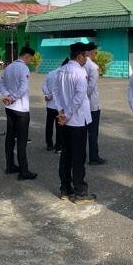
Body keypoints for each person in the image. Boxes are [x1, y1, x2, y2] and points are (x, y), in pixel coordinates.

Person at [54, 43, 96, 203]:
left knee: (66, 154)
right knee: (78, 157)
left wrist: (61, 111)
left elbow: (55, 92)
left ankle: (65, 188)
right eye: (85, 56)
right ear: (79, 56)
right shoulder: (79, 72)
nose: (87, 59)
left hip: (64, 120)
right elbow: (79, 97)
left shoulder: (61, 70)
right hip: (76, 121)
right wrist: (67, 114)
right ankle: (80, 191)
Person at [1, 47, 38, 180]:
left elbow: (1, 84)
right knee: (22, 141)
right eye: (30, 59)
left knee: (10, 137)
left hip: (10, 107)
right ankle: (24, 171)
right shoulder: (23, 68)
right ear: (26, 56)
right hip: (21, 109)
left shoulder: (9, 67)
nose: (30, 62)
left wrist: (7, 96)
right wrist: (13, 97)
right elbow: (23, 88)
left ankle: (10, 165)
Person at [84, 46, 106, 165]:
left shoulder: (80, 65)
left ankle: (81, 155)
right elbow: (91, 87)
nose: (95, 55)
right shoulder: (93, 66)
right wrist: (83, 97)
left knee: (81, 131)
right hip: (92, 105)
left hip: (81, 104)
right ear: (91, 52)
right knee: (93, 132)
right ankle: (93, 157)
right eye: (95, 53)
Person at [43, 59, 67, 153]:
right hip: (59, 106)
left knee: (49, 125)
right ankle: (58, 147)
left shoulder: (51, 73)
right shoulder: (64, 75)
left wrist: (47, 94)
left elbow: (44, 85)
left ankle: (49, 145)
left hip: (50, 105)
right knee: (59, 127)